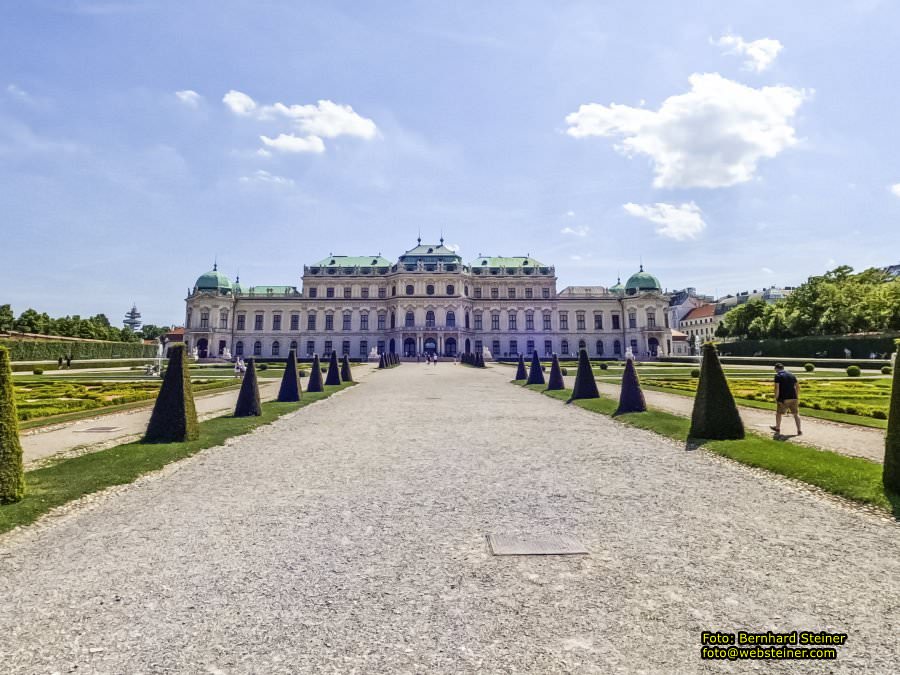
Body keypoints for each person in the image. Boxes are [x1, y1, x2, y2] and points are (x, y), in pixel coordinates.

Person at [770, 362, 801, 436]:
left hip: (783, 398)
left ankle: (777, 428)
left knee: (779, 413)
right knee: (796, 414)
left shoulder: (778, 376)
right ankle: (799, 430)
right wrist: (796, 396)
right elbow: (797, 386)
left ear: (776, 369)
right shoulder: (792, 374)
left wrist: (776, 397)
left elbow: (777, 388)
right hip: (793, 397)